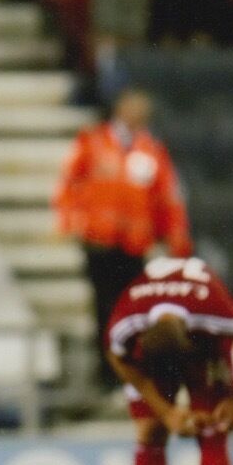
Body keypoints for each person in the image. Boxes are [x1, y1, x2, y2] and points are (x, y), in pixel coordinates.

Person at [105, 257, 233, 465]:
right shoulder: (128, 321)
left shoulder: (217, 314)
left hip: (205, 348)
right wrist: (166, 411)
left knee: (213, 426)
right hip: (155, 351)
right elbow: (116, 355)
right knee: (149, 429)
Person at [54, 88, 193, 389]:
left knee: (131, 311)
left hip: (134, 244)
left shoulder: (151, 151)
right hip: (100, 243)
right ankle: (108, 375)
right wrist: (72, 222)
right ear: (120, 109)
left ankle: (131, 374)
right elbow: (68, 182)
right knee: (103, 308)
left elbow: (167, 197)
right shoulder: (93, 142)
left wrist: (174, 238)